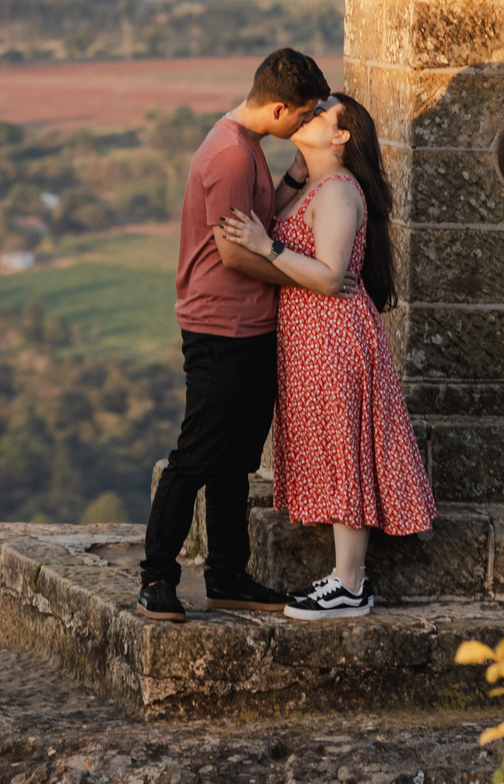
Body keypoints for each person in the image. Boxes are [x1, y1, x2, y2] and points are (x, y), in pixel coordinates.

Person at [220, 92, 436, 621]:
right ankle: (344, 579)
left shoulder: (339, 190)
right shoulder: (315, 185)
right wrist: (293, 176)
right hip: (311, 338)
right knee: (332, 443)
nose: (308, 115)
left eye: (322, 114)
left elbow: (328, 275)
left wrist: (264, 245)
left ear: (341, 137)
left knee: (344, 447)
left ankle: (351, 584)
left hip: (335, 337)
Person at [137, 46, 330, 623]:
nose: (305, 124)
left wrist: (295, 179)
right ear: (277, 108)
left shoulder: (247, 149)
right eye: (302, 114)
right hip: (221, 329)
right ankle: (156, 579)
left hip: (249, 326)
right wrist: (310, 281)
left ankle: (226, 575)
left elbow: (259, 227)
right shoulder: (230, 157)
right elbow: (233, 254)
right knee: (195, 456)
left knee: (232, 463)